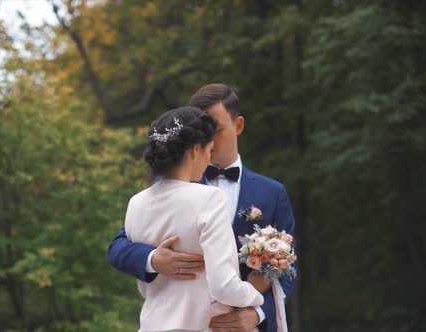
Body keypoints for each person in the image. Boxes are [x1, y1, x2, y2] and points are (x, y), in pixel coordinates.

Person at [109, 84, 296, 332]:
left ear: (238, 126)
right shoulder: (164, 190)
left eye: (214, 130)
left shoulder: (272, 193)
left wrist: (258, 314)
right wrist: (152, 259)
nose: (208, 139)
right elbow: (119, 247)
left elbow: (288, 268)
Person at [124, 106, 264, 332]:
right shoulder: (210, 199)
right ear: (195, 150)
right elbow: (224, 286)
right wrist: (256, 297)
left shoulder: (135, 204)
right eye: (209, 149)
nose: (210, 158)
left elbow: (145, 287)